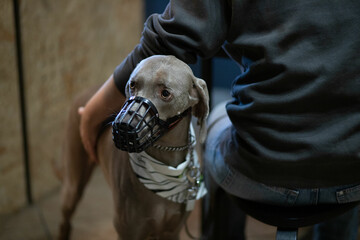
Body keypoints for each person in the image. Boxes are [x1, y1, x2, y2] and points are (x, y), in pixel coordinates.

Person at [79, 1, 360, 239]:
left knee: (217, 118)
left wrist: (92, 114)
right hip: (351, 174)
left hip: (264, 172)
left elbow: (169, 38)